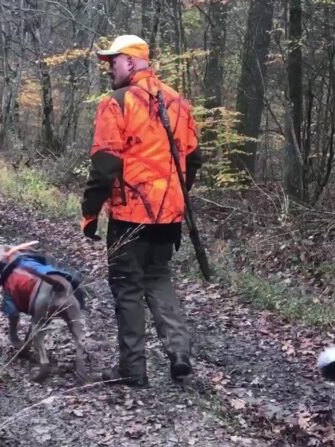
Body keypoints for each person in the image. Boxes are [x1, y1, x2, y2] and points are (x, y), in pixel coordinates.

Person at [81, 35, 203, 387]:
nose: (109, 69)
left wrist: (89, 215)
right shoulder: (179, 102)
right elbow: (194, 158)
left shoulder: (116, 103)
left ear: (132, 62)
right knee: (158, 278)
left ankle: (133, 370)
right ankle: (179, 351)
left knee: (128, 288)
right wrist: (177, 195)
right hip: (169, 218)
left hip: (129, 217)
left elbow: (104, 165)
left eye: (113, 61)